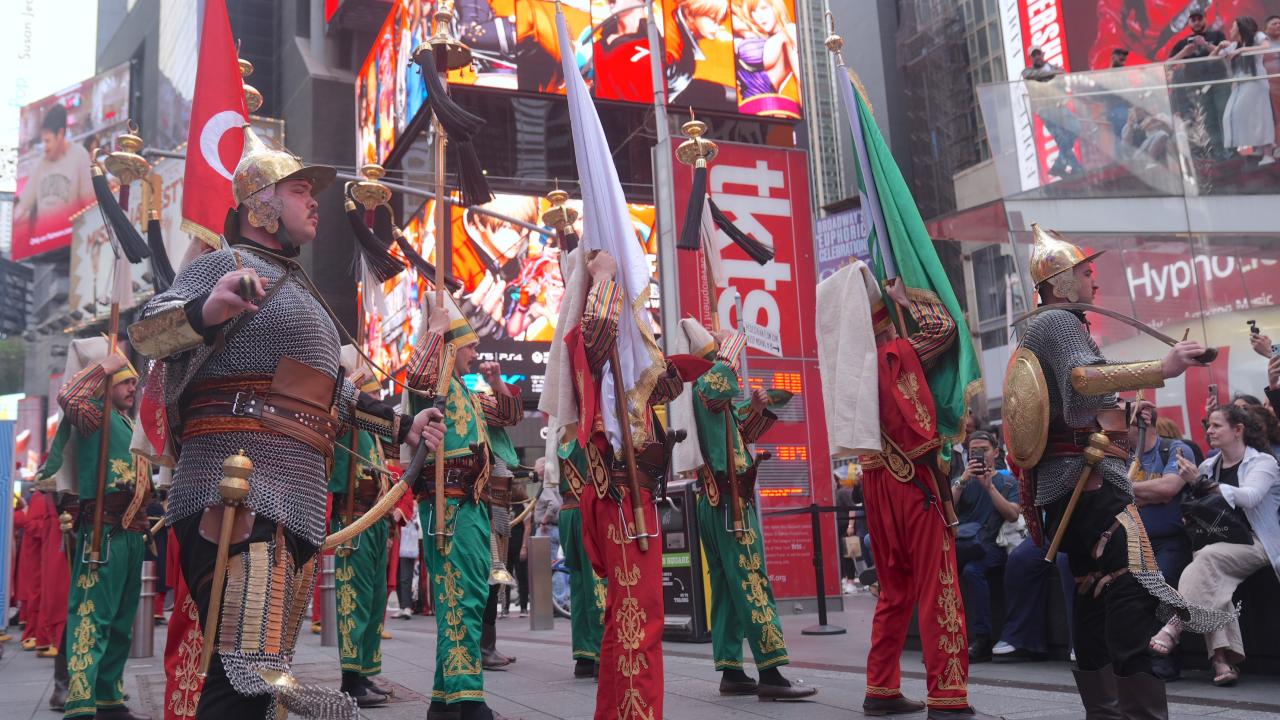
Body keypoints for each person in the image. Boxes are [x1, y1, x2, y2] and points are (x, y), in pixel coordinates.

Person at [131, 127, 445, 718]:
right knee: (244, 683)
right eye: (301, 190)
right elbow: (146, 332)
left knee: (261, 678)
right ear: (261, 204)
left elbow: (327, 389)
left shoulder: (300, 288)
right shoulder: (224, 264)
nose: (315, 201)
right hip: (235, 491)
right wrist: (206, 308)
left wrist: (401, 425)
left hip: (286, 500)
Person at [1013, 223, 1230, 719]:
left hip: (1076, 488)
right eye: (1088, 273)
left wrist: (1165, 363)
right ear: (1064, 282)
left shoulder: (1047, 328)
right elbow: (1084, 380)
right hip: (1087, 484)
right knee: (1132, 594)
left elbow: (1093, 375)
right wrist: (1162, 368)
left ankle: (1105, 714)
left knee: (1094, 596)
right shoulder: (1057, 325)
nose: (1096, 282)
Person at [816, 260, 999, 719]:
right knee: (939, 586)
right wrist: (906, 297)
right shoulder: (893, 354)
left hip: (877, 483)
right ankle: (948, 694)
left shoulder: (847, 373)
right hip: (913, 481)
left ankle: (881, 686)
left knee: (894, 588)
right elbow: (945, 328)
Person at [677, 318, 815, 700]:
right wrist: (730, 339)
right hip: (730, 505)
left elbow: (739, 436)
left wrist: (755, 410)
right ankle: (771, 671)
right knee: (751, 578)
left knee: (725, 587)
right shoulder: (706, 385)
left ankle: (732, 671)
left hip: (716, 501)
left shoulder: (708, 397)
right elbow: (723, 372)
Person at [404, 295, 522, 720]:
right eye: (470, 346)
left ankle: (443, 701)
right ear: (451, 346)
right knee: (462, 598)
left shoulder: (465, 392)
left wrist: (498, 381)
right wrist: (435, 330)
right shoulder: (434, 383)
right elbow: (415, 373)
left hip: (471, 504)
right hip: (448, 504)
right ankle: (469, 701)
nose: (476, 354)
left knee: (467, 593)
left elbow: (508, 414)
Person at [1149, 405, 1280, 686]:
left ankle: (1176, 623)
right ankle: (1222, 660)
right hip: (1218, 541)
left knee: (1205, 559)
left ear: (1238, 430)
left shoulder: (1262, 462)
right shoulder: (1210, 466)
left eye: (1216, 425)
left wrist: (1201, 483)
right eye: (1208, 425)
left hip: (1258, 543)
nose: (1208, 431)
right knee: (1214, 583)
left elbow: (1250, 496)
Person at [56, 340, 149, 720]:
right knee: (93, 619)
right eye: (126, 382)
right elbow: (68, 396)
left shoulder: (127, 422)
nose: (133, 388)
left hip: (131, 534)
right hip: (103, 535)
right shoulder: (93, 415)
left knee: (122, 624)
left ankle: (109, 698)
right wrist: (105, 367)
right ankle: (80, 703)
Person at [328, 348, 403, 707]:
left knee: (374, 601)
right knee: (353, 600)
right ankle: (350, 679)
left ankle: (366, 673)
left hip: (376, 520)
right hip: (352, 519)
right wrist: (348, 385)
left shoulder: (371, 431)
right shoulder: (339, 415)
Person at [1127, 401, 1195, 681]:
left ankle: (1164, 659)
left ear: (1144, 420)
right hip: (1133, 539)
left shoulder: (1174, 449)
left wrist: (1130, 488)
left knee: (1162, 585)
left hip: (1169, 539)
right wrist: (1150, 493)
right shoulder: (1122, 456)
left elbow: (1169, 488)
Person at [951, 431, 1020, 663]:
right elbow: (945, 510)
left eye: (983, 450)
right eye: (973, 452)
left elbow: (1012, 515)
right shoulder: (962, 481)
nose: (978, 455)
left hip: (992, 547)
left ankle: (981, 638)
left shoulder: (1007, 481)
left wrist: (990, 488)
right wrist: (963, 480)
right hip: (962, 545)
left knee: (972, 571)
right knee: (942, 573)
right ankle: (947, 637)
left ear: (996, 452)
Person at [12, 103, 94, 242]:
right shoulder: (40, 164)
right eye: (43, 141)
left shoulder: (79, 156)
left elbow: (90, 203)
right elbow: (23, 206)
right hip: (44, 243)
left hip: (72, 243)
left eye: (47, 141)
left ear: (60, 134)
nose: (44, 147)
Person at [989, 537, 1074, 662]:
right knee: (1021, 558)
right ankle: (1020, 639)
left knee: (1067, 558)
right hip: (1053, 529)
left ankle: (1081, 641)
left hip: (1089, 529)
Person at [1214, 16, 1277, 164]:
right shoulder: (1234, 45)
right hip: (1242, 84)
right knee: (1236, 115)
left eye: (1233, 26)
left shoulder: (1257, 36)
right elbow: (1214, 57)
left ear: (1241, 28)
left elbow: (1266, 47)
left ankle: (1267, 152)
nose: (1230, 29)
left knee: (1260, 116)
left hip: (1256, 82)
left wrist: (1241, 50)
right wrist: (1218, 47)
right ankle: (1261, 148)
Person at [1169, 11, 1231, 158]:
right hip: (1198, 88)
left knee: (1225, 115)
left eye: (1199, 19)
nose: (1196, 22)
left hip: (1219, 82)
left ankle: (1233, 150)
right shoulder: (1182, 43)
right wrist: (1184, 52)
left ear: (1205, 19)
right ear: (1189, 23)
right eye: (1193, 19)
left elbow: (1226, 55)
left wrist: (1206, 44)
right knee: (1208, 120)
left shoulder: (1217, 36)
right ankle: (1218, 153)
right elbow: (1168, 64)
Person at [731, 0, 801, 118]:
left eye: (764, 8)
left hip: (766, 109)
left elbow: (801, 81)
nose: (760, 16)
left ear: (776, 7)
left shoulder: (788, 32)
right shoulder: (753, 34)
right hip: (745, 112)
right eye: (754, 11)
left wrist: (806, 124)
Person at [1022, 48, 1085, 178]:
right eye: (1033, 55)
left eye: (1038, 53)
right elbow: (1034, 76)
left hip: (1060, 106)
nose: (1037, 57)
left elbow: (1063, 81)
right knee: (1062, 138)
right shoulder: (1028, 71)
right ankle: (1076, 168)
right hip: (1045, 110)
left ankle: (1060, 166)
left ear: (1043, 54)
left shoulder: (1053, 68)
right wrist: (1055, 73)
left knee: (1076, 128)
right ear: (1030, 58)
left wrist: (1057, 74)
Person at [394, 507, 422, 619]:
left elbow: (408, 503)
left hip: (406, 536)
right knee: (396, 575)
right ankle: (402, 606)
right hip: (396, 536)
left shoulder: (406, 490)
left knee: (406, 575)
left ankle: (407, 606)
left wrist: (400, 510)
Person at [1263, 15, 1280, 160]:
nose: (1278, 25)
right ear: (1266, 29)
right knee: (1277, 118)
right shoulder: (1262, 45)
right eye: (1274, 23)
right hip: (1272, 88)